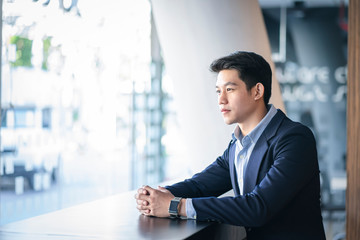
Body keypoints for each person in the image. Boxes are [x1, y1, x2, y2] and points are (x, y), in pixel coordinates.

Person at [135, 51, 326, 239]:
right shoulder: (238, 144)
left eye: (230, 89)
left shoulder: (294, 138)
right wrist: (157, 196)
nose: (221, 100)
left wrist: (176, 206)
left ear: (257, 91)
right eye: (218, 91)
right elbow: (200, 185)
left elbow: (258, 207)